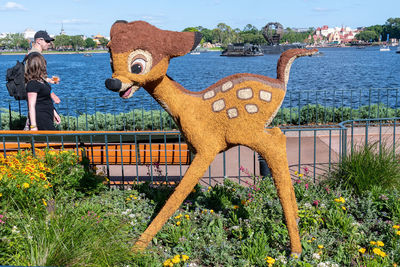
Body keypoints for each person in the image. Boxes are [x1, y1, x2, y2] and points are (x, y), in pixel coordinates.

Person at [23, 30, 61, 130]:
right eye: (47, 41)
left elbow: (36, 76)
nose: (49, 44)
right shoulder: (35, 55)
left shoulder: (32, 54)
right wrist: (52, 94)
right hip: (38, 105)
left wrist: (49, 80)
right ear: (39, 41)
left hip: (39, 103)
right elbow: (33, 80)